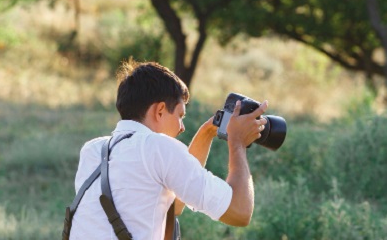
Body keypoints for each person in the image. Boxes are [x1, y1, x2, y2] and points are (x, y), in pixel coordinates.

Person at [63, 60, 268, 239]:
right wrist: (238, 143)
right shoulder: (159, 148)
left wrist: (207, 133)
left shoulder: (92, 150)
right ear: (160, 110)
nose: (181, 127)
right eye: (180, 115)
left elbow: (175, 205)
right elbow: (240, 212)